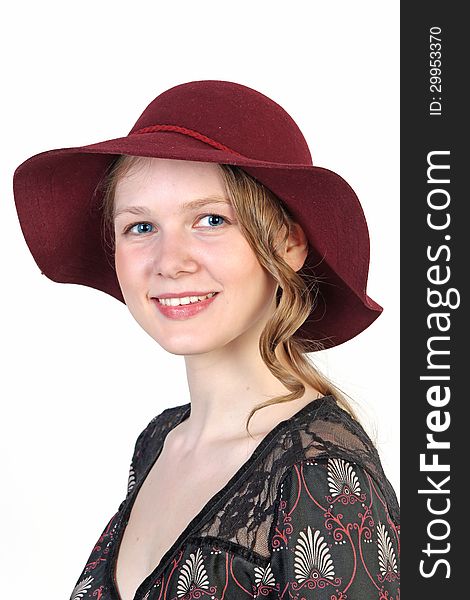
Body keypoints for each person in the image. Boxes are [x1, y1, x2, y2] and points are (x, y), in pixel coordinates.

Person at [13, 80, 400, 600]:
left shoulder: (324, 476)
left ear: (286, 242)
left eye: (211, 219)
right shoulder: (159, 443)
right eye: (141, 227)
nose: (170, 261)